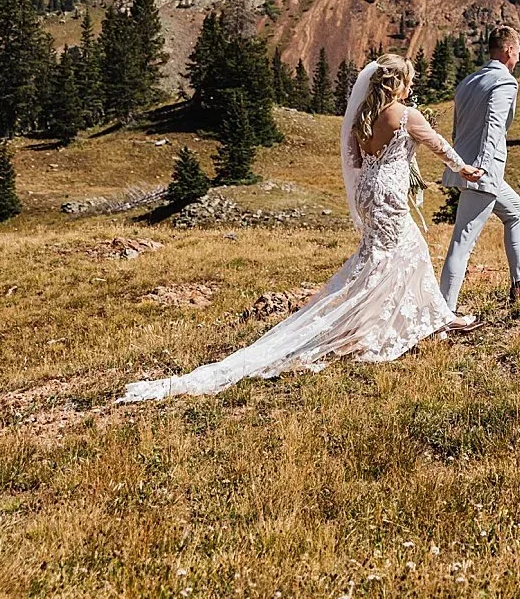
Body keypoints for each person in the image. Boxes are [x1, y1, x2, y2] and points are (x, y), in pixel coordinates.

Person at [119, 54, 482, 402]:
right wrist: (464, 169)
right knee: (393, 258)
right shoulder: (406, 116)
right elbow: (438, 145)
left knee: (386, 255)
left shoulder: (363, 117)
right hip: (388, 193)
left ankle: (421, 319)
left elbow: (355, 159)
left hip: (367, 193)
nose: (412, 85)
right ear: (398, 83)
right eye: (410, 80)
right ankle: (398, 325)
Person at [439, 25, 520, 306]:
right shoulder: (504, 82)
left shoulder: (469, 81)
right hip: (482, 172)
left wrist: (460, 164)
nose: (518, 58)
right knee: (461, 245)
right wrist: (481, 167)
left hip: (467, 167)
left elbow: (458, 131)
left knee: (517, 210)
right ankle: (444, 315)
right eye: (518, 52)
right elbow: (494, 126)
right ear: (508, 50)